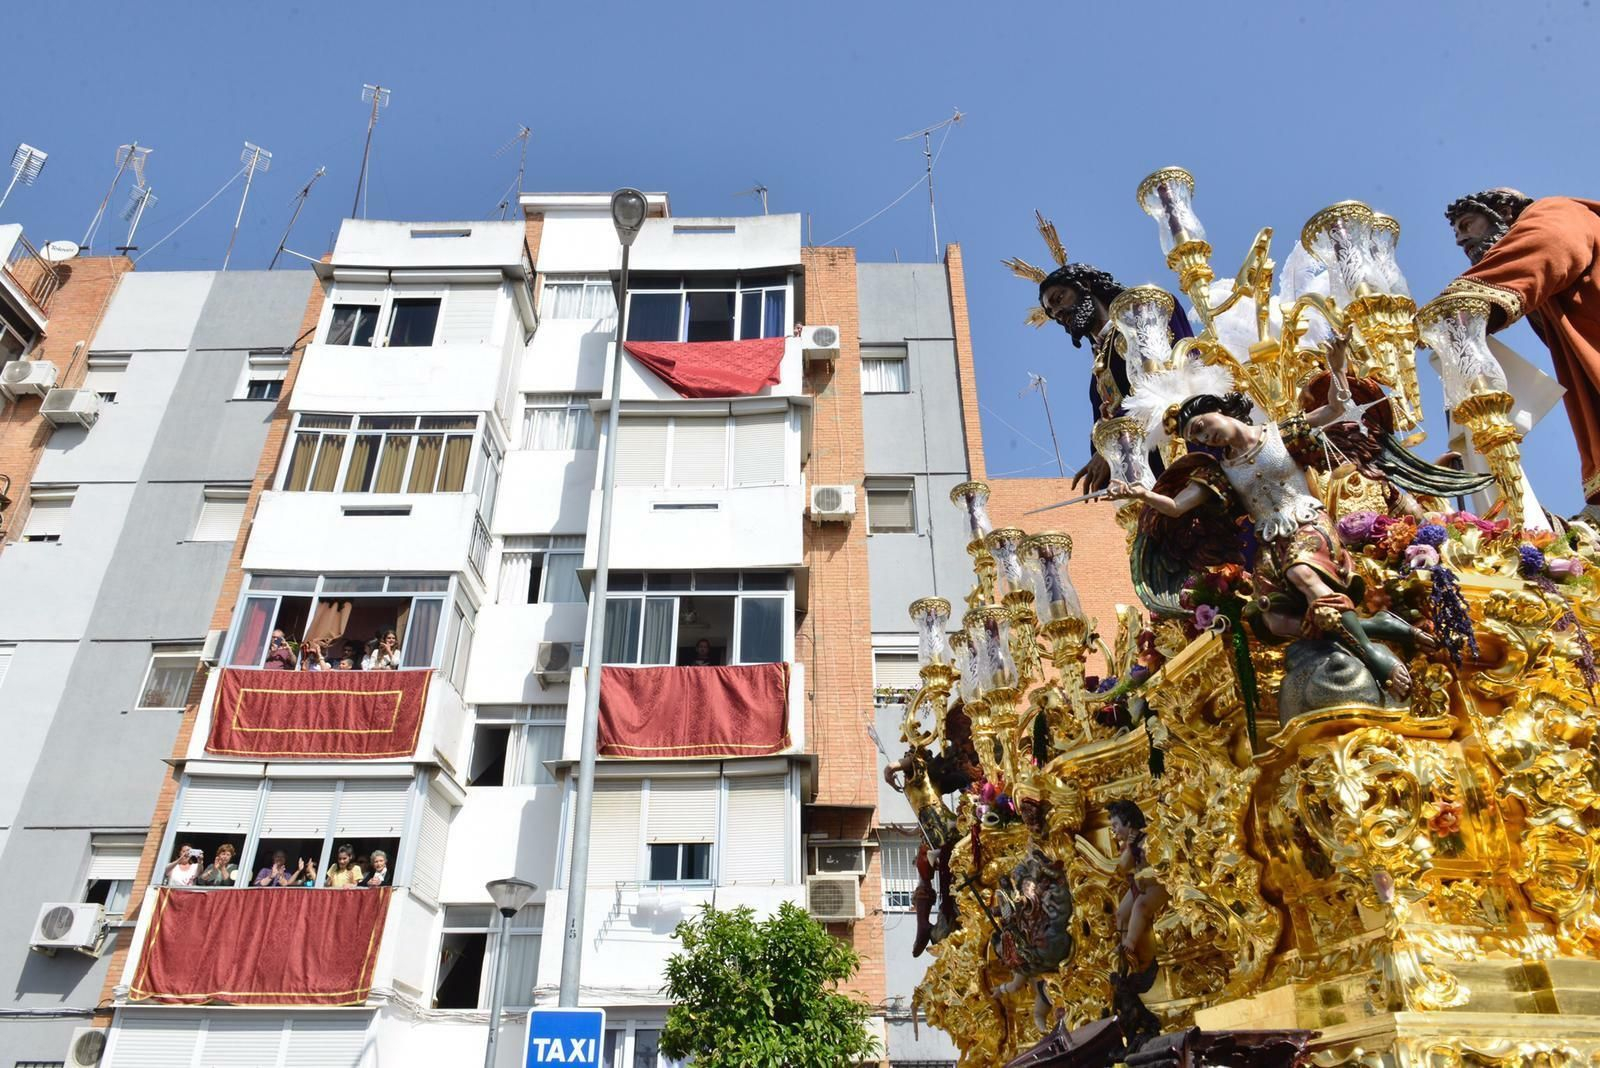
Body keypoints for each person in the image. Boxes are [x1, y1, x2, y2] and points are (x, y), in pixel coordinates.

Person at [1438, 188, 1600, 511]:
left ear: (1506, 211)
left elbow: (1549, 244)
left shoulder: (1555, 213)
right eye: (1457, 232)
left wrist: (1437, 318)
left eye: (1468, 224)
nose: (1460, 239)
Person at [1036, 262, 1191, 492]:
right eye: (1052, 314)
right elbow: (1101, 436)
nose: (1058, 314)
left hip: (1186, 449)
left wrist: (1109, 444)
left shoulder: (1142, 316)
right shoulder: (1096, 377)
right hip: (1152, 482)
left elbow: (1163, 383)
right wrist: (1103, 451)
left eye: (1059, 298)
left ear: (1085, 285)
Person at [1108, 800, 1167, 975]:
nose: (1114, 830)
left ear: (1129, 823)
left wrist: (1135, 847)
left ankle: (1130, 945)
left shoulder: (1148, 839)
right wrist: (1130, 847)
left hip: (1158, 885)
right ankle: (1126, 954)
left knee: (1141, 906)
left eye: (1116, 824)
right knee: (1120, 913)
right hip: (1140, 885)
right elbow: (1123, 868)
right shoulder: (1129, 845)